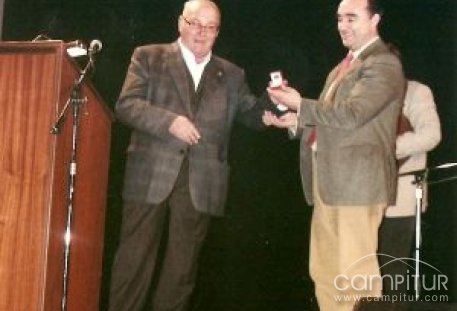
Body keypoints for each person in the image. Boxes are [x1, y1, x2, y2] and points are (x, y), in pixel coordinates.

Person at [107, 1, 268, 310]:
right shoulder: (148, 56)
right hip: (150, 173)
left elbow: (251, 112)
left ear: (218, 32)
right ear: (180, 22)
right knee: (133, 262)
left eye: (210, 27)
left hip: (202, 182)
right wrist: (171, 122)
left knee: (182, 273)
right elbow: (126, 105)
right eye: (195, 23)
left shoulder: (232, 74)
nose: (201, 32)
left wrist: (272, 109)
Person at [263, 0, 405, 310]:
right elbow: (332, 120)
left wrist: (301, 104)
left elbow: (352, 115)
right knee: (325, 270)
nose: (342, 25)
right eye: (339, 18)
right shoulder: (345, 65)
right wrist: (296, 121)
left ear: (375, 20)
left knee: (356, 276)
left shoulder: (383, 63)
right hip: (330, 183)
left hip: (357, 186)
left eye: (352, 18)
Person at [378, 80, 441, 297]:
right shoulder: (363, 93)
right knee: (361, 272)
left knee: (392, 272)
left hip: (400, 201)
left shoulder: (417, 91)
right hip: (361, 201)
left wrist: (388, 147)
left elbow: (431, 135)